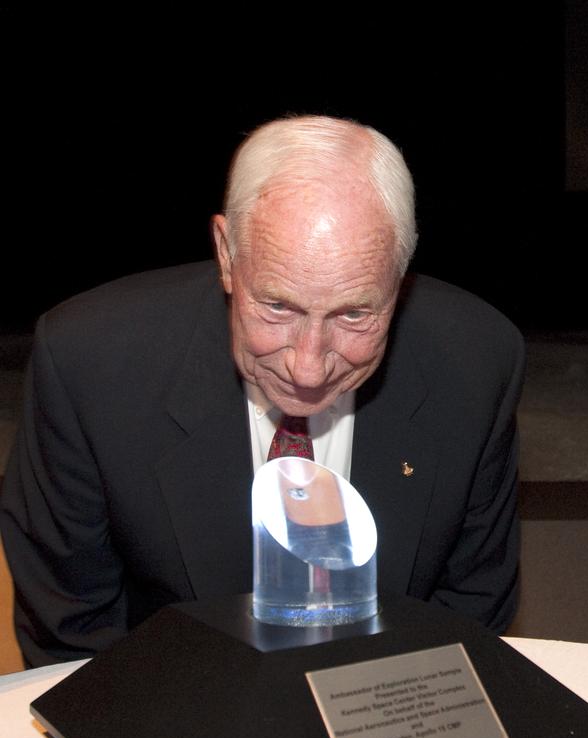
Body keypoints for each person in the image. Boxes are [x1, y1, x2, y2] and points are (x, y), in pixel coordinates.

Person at [2, 115, 523, 666]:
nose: (308, 368)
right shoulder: (91, 365)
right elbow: (72, 634)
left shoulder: (478, 362)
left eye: (353, 313)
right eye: (277, 306)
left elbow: (471, 617)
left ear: (400, 275)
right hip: (168, 717)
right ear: (226, 254)